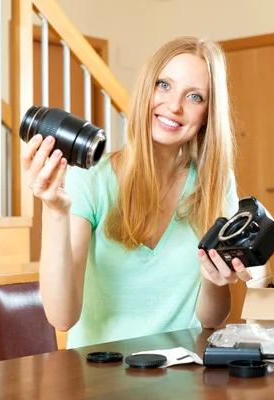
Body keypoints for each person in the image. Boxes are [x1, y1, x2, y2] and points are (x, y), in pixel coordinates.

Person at [20, 35, 253, 349]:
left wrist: (214, 280)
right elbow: (62, 318)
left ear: (207, 114)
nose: (174, 106)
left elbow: (212, 320)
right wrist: (54, 210)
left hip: (184, 377)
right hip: (99, 376)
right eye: (164, 85)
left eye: (195, 96)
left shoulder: (215, 183)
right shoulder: (91, 179)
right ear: (146, 88)